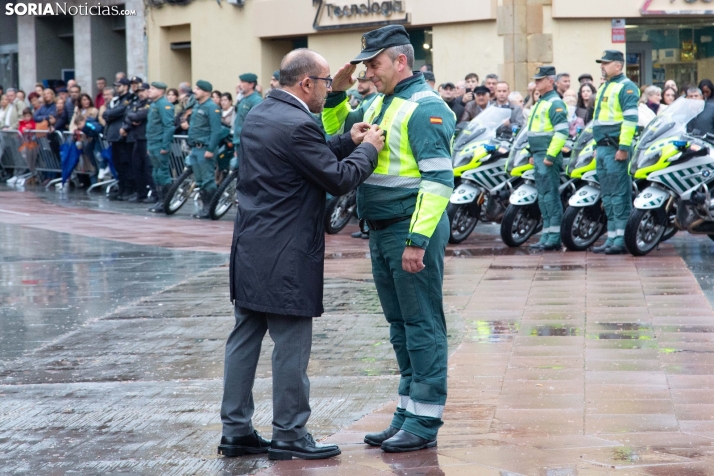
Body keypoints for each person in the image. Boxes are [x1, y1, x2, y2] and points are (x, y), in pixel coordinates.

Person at [220, 48, 383, 462]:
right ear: (307, 83)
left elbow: (300, 156)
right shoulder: (297, 123)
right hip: (287, 251)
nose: (330, 90)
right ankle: (290, 434)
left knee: (244, 337)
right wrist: (369, 150)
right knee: (291, 345)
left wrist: (347, 139)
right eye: (328, 83)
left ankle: (236, 430)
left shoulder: (260, 111)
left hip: (252, 245)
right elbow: (337, 177)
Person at [328, 24, 455, 453]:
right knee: (401, 328)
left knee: (422, 326)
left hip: (408, 231)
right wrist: (335, 95)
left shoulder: (425, 107)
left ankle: (424, 422)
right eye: (365, 66)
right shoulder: (382, 102)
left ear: (401, 61)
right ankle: (406, 413)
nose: (368, 74)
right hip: (383, 230)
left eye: (375, 65)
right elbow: (339, 141)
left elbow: (439, 181)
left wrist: (417, 241)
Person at [591, 50, 639, 255]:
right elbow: (598, 120)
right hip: (603, 148)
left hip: (614, 149)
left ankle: (621, 238)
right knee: (608, 196)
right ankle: (612, 237)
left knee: (619, 195)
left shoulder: (627, 87)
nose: (602, 66)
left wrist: (623, 148)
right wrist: (596, 146)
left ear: (618, 65)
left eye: (606, 63)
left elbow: (630, 121)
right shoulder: (606, 86)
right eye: (602, 62)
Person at [526, 66, 569, 251]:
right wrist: (531, 153)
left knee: (550, 196)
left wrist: (550, 156)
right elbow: (534, 131)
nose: (536, 83)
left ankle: (554, 237)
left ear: (550, 81)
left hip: (546, 156)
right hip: (539, 154)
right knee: (544, 197)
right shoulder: (541, 102)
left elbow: (562, 133)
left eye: (539, 80)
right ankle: (547, 235)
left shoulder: (554, 103)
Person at [187, 80, 223, 218]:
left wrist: (211, 149)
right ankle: (204, 207)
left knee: (208, 180)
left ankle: (210, 208)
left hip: (205, 149)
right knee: (200, 180)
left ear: (206, 92)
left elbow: (216, 131)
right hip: (196, 148)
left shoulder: (212, 108)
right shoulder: (197, 106)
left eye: (198, 89)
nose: (195, 91)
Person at [103, 77, 136, 200]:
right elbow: (107, 113)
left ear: (126, 87)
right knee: (118, 164)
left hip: (122, 136)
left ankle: (129, 189)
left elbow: (119, 111)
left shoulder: (128, 99)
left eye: (119, 85)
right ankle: (122, 188)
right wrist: (109, 114)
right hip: (114, 136)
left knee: (125, 163)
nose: (117, 88)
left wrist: (110, 114)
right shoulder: (117, 99)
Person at [146, 82, 176, 213]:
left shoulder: (164, 105)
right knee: (156, 173)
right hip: (153, 144)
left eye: (153, 89)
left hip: (159, 144)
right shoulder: (154, 105)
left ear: (161, 91)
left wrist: (165, 146)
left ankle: (166, 201)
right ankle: (159, 200)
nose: (149, 91)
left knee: (163, 173)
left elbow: (168, 127)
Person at [122, 82, 153, 202]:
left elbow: (139, 115)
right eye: (139, 91)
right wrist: (133, 117)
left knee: (148, 168)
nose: (140, 94)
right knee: (137, 166)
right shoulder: (137, 103)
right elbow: (127, 115)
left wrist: (134, 116)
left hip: (146, 138)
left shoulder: (150, 104)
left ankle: (154, 193)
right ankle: (141, 193)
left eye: (143, 91)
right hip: (137, 138)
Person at [232, 73, 262, 171]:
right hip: (239, 141)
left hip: (248, 142)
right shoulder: (243, 99)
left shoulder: (256, 100)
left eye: (242, 82)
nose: (239, 85)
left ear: (251, 85)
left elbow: (257, 124)